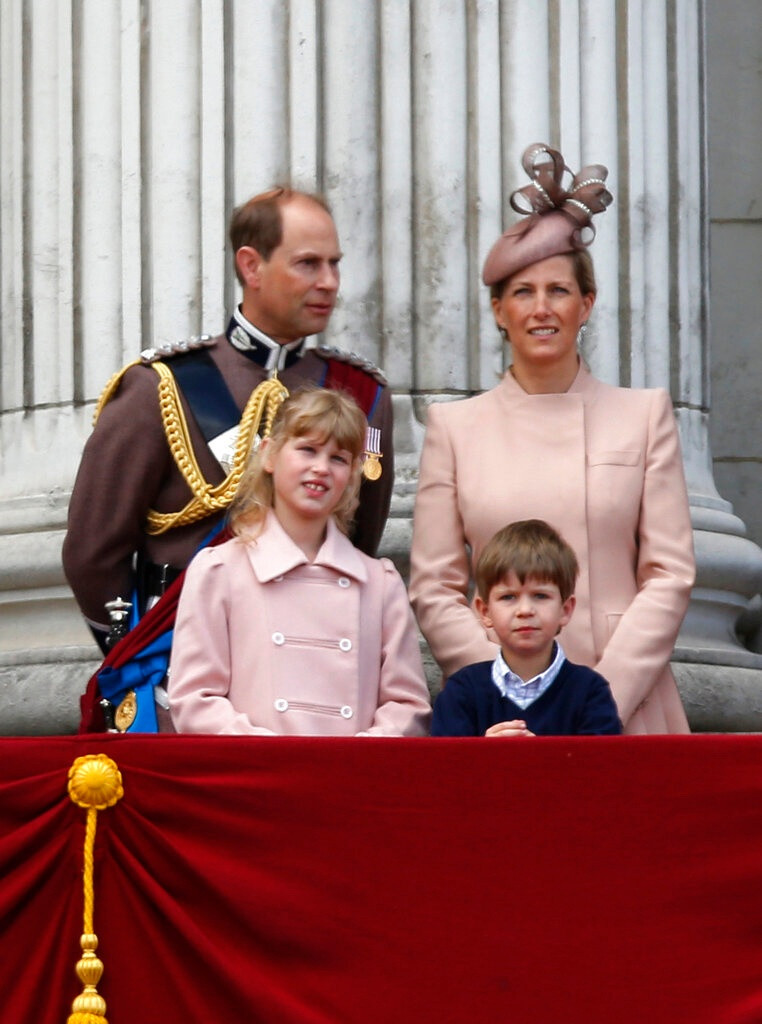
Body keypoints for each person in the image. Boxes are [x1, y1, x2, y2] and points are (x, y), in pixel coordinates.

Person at [409, 143, 696, 735]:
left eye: (559, 291)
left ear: (586, 304)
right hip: (497, 721)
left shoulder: (643, 416)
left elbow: (669, 574)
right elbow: (435, 587)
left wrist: (590, 700)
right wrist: (514, 691)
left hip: (625, 706)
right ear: (497, 310)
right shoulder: (454, 428)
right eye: (522, 292)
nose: (542, 309)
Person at [63, 186, 394, 657]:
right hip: (181, 656)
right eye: (308, 264)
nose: (329, 281)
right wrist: (135, 657)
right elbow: (92, 553)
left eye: (334, 263)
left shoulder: (364, 396)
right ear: (251, 265)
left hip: (313, 655)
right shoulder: (160, 388)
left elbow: (360, 537)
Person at [167, 388, 431, 737]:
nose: (321, 468)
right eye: (307, 449)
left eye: (338, 458)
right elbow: (194, 699)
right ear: (269, 455)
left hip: (350, 779)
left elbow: (407, 705)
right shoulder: (219, 571)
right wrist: (271, 754)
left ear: (352, 473)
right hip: (259, 777)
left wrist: (360, 753)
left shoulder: (379, 583)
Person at [431, 520, 621, 736]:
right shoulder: (461, 692)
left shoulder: (590, 692)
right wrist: (482, 755)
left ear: (565, 610)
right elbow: (444, 767)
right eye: (508, 597)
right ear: (485, 612)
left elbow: (602, 767)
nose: (525, 610)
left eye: (540, 596)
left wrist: (538, 759)